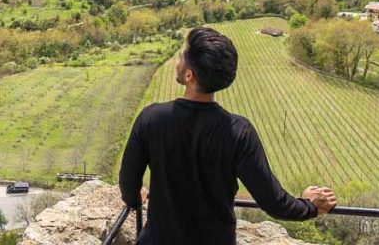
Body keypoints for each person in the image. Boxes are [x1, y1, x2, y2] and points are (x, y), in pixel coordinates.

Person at [119, 26, 337, 244]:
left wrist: (135, 200)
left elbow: (129, 185)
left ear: (188, 75)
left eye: (182, 56)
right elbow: (274, 203)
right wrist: (310, 206)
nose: (178, 59)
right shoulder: (238, 132)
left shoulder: (152, 119)